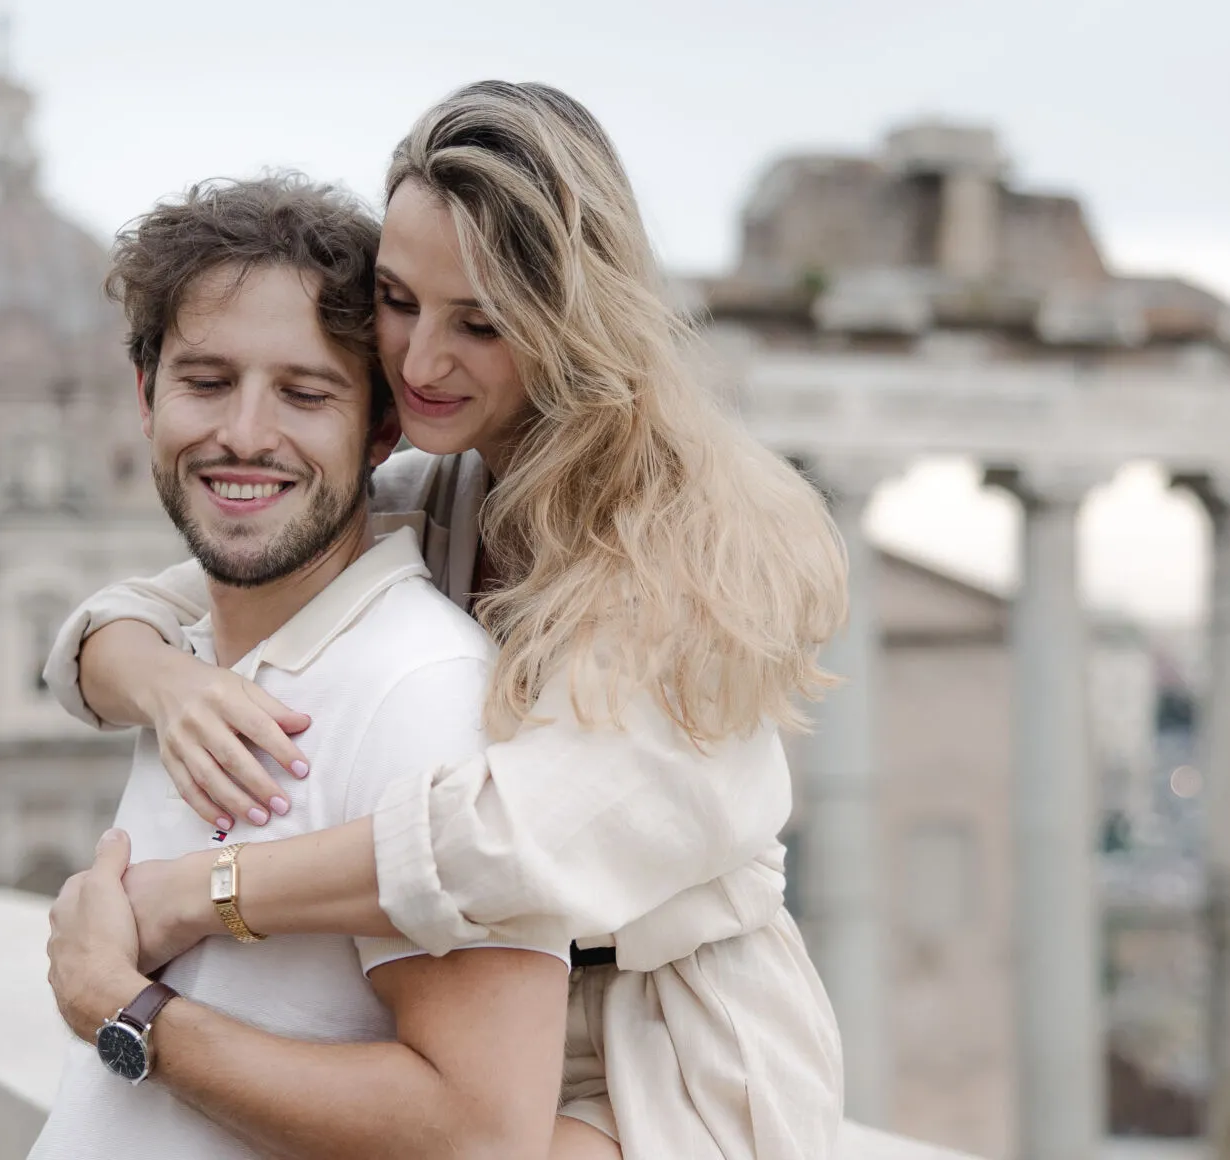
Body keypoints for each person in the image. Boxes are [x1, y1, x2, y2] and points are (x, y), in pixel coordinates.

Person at [45, 81, 848, 1158]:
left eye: (478, 322)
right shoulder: (447, 486)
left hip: (673, 1056)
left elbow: (491, 841)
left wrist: (194, 895)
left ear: (567, 319)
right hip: (518, 1023)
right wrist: (170, 684)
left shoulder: (686, 547)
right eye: (396, 298)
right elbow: (153, 602)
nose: (418, 360)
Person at [28, 173, 570, 1160]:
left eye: (303, 392)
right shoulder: (194, 660)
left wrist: (123, 1006)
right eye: (205, 380)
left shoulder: (418, 686)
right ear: (146, 398)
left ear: (379, 428)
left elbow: (484, 1131)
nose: (243, 433)